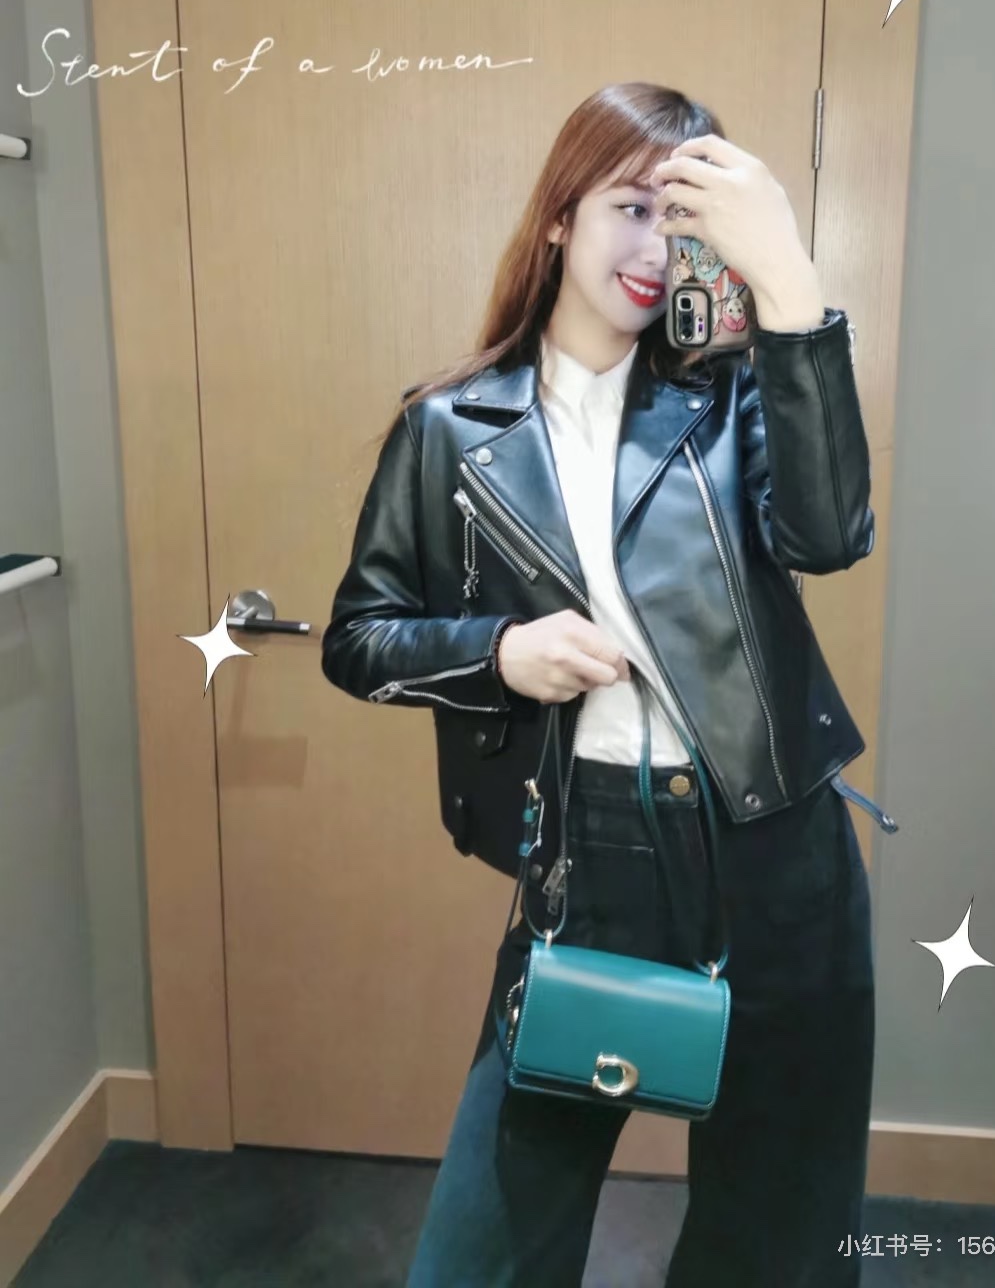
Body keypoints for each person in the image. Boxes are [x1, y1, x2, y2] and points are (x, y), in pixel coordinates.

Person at [322, 81, 893, 1287]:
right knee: (488, 1247)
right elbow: (359, 639)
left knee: (778, 1244)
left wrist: (789, 288)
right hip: (589, 858)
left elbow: (831, 532)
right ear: (558, 217)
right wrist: (500, 653)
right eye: (631, 208)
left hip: (776, 854)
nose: (654, 250)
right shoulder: (449, 428)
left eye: (681, 223)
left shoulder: (732, 396)